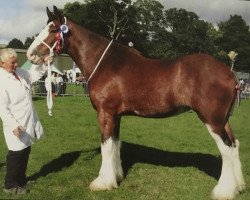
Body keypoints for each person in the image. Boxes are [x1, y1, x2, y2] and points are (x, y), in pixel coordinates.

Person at [0, 48, 52, 195]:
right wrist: (13, 125)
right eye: (12, 62)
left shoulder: (19, 73)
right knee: (16, 153)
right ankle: (10, 185)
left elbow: (34, 75)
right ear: (1, 63)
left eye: (16, 61)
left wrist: (44, 63)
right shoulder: (1, 80)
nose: (16, 64)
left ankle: (21, 179)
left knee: (25, 150)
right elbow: (2, 108)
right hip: (16, 122)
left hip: (28, 119)